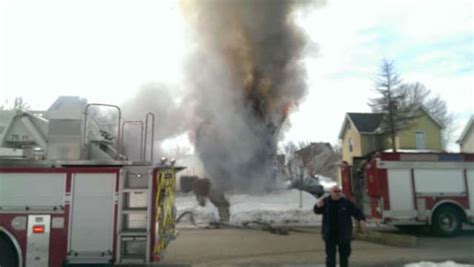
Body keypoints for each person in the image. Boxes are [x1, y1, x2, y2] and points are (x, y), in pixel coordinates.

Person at [313, 185, 367, 267]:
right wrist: (317, 206)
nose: (337, 193)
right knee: (330, 257)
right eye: (335, 191)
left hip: (344, 235)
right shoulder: (325, 202)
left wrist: (361, 220)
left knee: (345, 256)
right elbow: (317, 211)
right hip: (330, 234)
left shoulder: (346, 203)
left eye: (339, 191)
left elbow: (356, 212)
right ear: (331, 193)